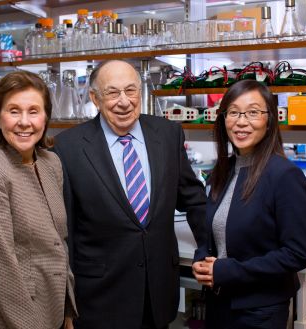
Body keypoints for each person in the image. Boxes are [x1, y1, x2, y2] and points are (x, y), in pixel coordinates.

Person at [53, 60, 208, 329]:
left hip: (157, 292)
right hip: (99, 298)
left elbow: (193, 199)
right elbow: (64, 232)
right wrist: (66, 302)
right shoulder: (68, 147)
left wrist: (209, 250)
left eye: (131, 90)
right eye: (112, 93)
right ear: (95, 98)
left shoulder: (167, 133)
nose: (124, 101)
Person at [192, 80, 306, 329]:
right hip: (218, 302)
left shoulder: (284, 175)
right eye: (233, 112)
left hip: (259, 311)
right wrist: (202, 259)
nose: (241, 121)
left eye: (253, 112)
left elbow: (297, 254)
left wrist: (226, 271)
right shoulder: (222, 170)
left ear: (269, 120)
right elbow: (212, 233)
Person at [0, 70, 77, 329]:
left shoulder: (51, 163)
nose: (24, 122)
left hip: (52, 308)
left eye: (34, 111)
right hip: (14, 316)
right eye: (14, 111)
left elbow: (58, 242)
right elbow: (0, 264)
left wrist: (67, 311)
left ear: (46, 117)